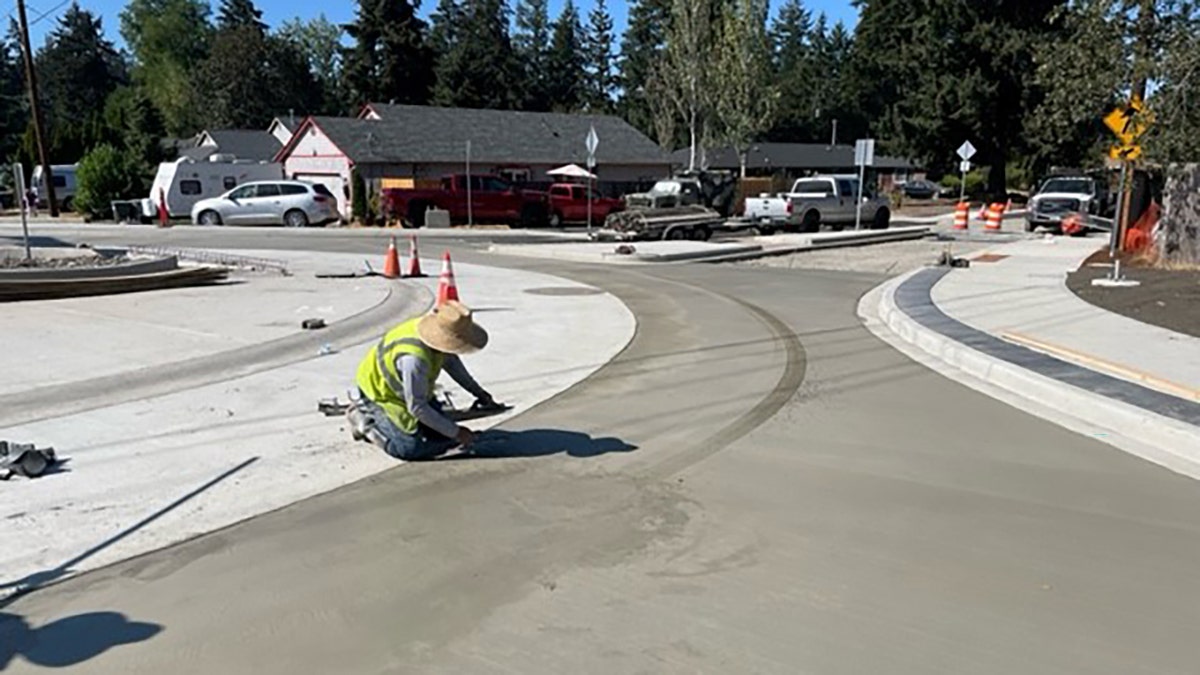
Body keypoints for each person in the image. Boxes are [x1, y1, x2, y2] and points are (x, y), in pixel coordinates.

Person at [349, 300, 500, 461]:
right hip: (380, 393)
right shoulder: (414, 359)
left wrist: (479, 393)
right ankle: (364, 421)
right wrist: (458, 432)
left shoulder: (436, 336)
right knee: (409, 448)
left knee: (441, 436)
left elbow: (454, 367)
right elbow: (417, 407)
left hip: (408, 390)